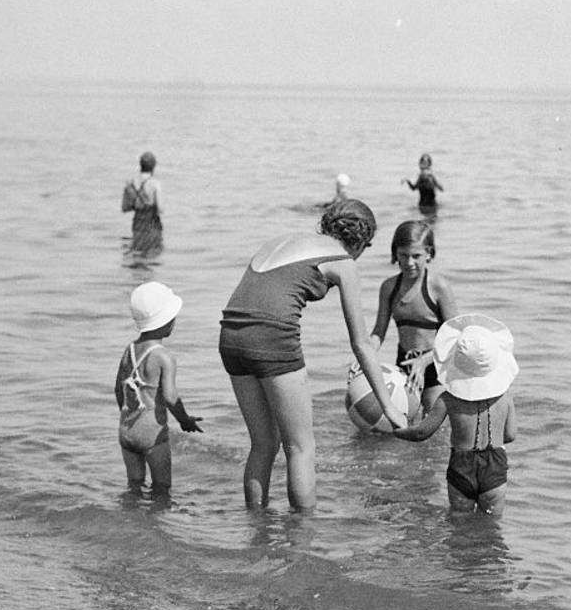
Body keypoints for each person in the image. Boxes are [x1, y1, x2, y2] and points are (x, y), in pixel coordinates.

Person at [219, 198, 407, 512]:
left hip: (230, 334)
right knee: (301, 448)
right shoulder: (343, 261)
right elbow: (360, 343)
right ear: (360, 241)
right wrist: (389, 407)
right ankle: (303, 537)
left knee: (263, 444)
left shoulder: (282, 241)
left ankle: (255, 526)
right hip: (272, 336)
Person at [392, 315, 517, 516]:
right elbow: (510, 435)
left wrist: (397, 432)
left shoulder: (448, 399)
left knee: (459, 522)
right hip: (494, 467)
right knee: (492, 527)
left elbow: (421, 433)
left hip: (462, 466)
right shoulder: (505, 398)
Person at [115, 281, 203, 496]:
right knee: (162, 488)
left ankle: (133, 524)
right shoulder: (164, 356)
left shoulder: (129, 350)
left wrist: (130, 416)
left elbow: (118, 389)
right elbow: (171, 397)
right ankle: (156, 527)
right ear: (166, 322)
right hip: (152, 435)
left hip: (127, 430)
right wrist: (185, 420)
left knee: (134, 486)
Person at [370, 220, 459, 415]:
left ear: (429, 253)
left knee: (434, 430)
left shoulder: (439, 287)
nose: (409, 263)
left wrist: (424, 361)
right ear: (395, 253)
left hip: (435, 365)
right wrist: (364, 356)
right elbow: (378, 332)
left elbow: (455, 338)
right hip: (403, 364)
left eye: (416, 256)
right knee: (400, 425)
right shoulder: (389, 288)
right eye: (403, 255)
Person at [121, 151, 163, 256]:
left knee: (137, 252)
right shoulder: (155, 184)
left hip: (137, 223)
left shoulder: (130, 183)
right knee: (152, 254)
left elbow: (125, 208)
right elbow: (160, 209)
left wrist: (138, 203)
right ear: (153, 166)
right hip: (152, 224)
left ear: (140, 165)